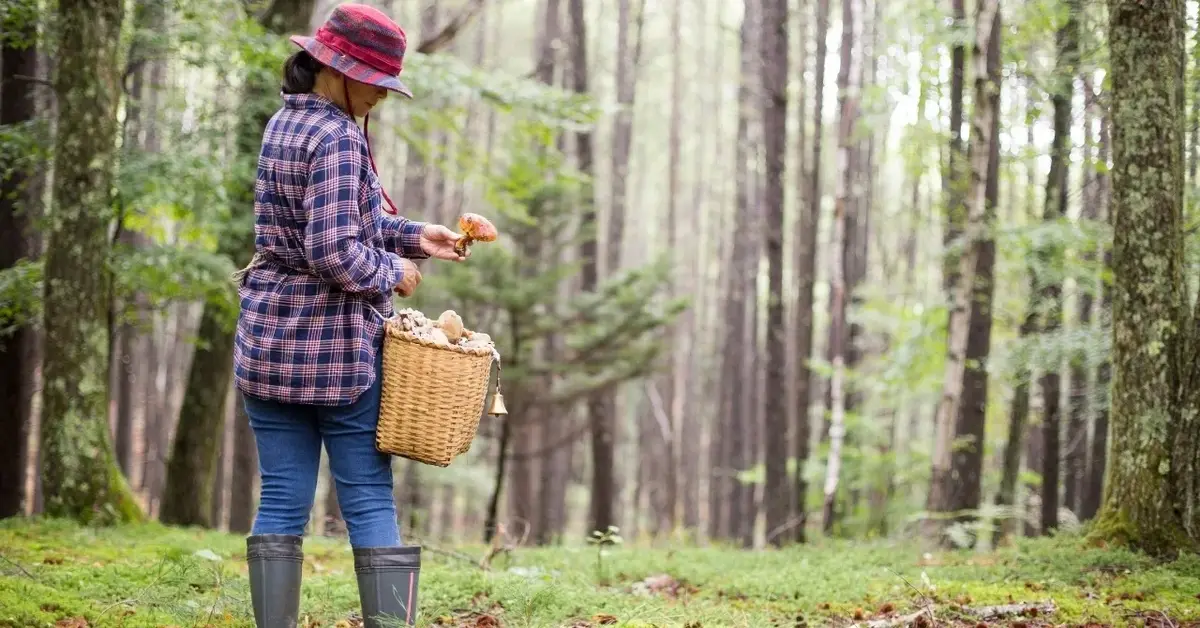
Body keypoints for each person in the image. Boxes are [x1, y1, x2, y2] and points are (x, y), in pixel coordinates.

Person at [230, 4, 464, 627]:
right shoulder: (336, 137)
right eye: (377, 83)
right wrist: (397, 273)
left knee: (281, 497)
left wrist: (419, 237)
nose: (382, 98)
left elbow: (345, 222)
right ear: (338, 68)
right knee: (366, 495)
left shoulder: (286, 123)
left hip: (269, 339)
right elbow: (333, 249)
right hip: (336, 351)